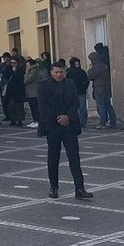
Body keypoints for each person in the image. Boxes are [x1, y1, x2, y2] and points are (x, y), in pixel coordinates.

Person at [37, 61, 93, 200]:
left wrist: (68, 116)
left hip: (69, 125)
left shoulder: (70, 84)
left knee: (74, 157)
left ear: (64, 72)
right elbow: (43, 106)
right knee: (53, 157)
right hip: (52, 126)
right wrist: (58, 118)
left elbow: (75, 102)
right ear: (51, 72)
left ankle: (79, 188)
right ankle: (54, 187)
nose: (59, 74)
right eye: (56, 72)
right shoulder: (44, 85)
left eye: (61, 72)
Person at [88, 51, 116, 128]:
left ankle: (102, 123)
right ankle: (113, 122)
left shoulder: (95, 67)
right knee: (108, 105)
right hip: (106, 88)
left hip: (99, 88)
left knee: (101, 106)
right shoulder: (104, 66)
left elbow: (89, 76)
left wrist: (91, 68)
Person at [67, 57, 90, 127]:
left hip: (80, 91)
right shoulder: (69, 72)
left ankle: (82, 122)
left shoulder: (81, 71)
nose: (77, 65)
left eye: (78, 64)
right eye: (75, 64)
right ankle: (76, 121)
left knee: (82, 107)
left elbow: (86, 80)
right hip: (73, 92)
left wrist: (84, 86)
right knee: (74, 108)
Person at [3, 56, 25, 126]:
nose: (13, 64)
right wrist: (12, 72)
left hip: (18, 90)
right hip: (10, 91)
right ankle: (12, 120)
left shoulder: (20, 69)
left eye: (14, 63)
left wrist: (15, 72)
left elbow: (20, 78)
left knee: (19, 106)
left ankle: (19, 120)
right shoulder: (8, 69)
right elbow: (6, 77)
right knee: (11, 106)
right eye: (11, 63)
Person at [23, 59, 42, 129]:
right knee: (32, 107)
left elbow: (26, 80)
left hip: (34, 92)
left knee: (35, 107)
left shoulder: (34, 71)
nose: (26, 66)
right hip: (31, 92)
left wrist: (26, 72)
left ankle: (37, 121)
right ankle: (35, 120)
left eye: (27, 65)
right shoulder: (32, 71)